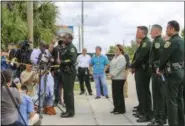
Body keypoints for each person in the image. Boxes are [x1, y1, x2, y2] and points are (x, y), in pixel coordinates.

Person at [157, 20, 184, 126]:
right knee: (179, 100)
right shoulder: (182, 41)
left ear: (172, 29)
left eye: (167, 28)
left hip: (172, 74)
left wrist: (159, 68)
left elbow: (164, 57)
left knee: (171, 102)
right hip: (181, 72)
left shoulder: (171, 41)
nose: (166, 30)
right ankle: (181, 123)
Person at [130, 26, 152, 122]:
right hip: (140, 70)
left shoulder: (146, 43)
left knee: (143, 92)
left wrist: (132, 66)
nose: (136, 33)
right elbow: (137, 56)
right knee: (141, 92)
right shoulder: (143, 42)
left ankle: (146, 113)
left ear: (142, 32)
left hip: (143, 70)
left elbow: (140, 57)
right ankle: (143, 111)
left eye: (137, 31)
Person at [147, 24, 166, 126]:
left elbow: (161, 58)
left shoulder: (158, 42)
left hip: (158, 73)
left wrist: (156, 67)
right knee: (158, 96)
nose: (150, 33)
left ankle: (160, 119)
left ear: (157, 31)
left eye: (152, 31)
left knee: (159, 96)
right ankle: (158, 117)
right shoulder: (156, 41)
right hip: (156, 72)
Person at [59, 33, 77, 118]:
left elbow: (72, 60)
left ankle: (70, 112)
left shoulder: (72, 48)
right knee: (66, 93)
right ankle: (67, 110)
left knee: (69, 93)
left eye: (65, 38)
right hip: (65, 72)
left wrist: (61, 62)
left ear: (70, 39)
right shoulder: (66, 47)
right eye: (63, 38)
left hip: (69, 72)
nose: (63, 40)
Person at [108, 44, 127, 114]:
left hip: (119, 78)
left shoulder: (121, 58)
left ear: (121, 51)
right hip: (115, 78)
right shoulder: (115, 57)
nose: (115, 51)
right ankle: (116, 107)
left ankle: (121, 109)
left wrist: (112, 75)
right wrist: (110, 74)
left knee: (119, 94)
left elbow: (119, 68)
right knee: (115, 94)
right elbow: (111, 66)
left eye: (117, 50)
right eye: (115, 49)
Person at [52, 35, 65, 106]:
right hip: (56, 70)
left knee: (62, 86)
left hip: (63, 71)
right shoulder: (55, 48)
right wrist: (52, 70)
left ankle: (62, 100)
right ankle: (57, 100)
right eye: (60, 39)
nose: (61, 40)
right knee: (56, 86)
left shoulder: (65, 48)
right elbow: (52, 60)